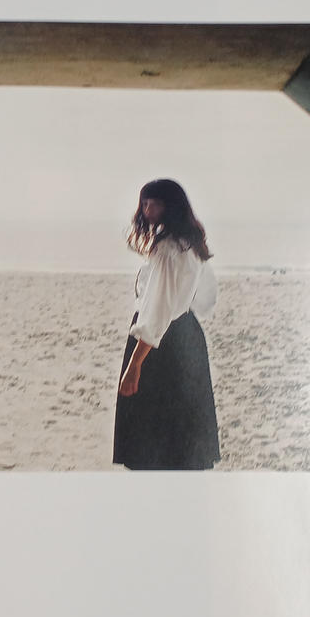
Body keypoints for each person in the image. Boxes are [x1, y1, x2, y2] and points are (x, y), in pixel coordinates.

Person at [112, 178, 221, 470]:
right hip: (188, 335)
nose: (148, 210)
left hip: (159, 345)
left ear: (171, 207)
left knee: (152, 441)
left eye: (156, 204)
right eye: (145, 203)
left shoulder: (167, 249)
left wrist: (135, 364)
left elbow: (157, 313)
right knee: (183, 435)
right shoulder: (191, 244)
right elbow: (206, 297)